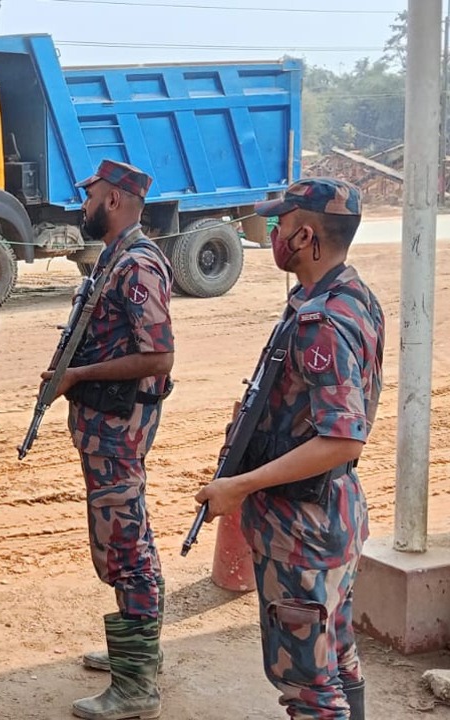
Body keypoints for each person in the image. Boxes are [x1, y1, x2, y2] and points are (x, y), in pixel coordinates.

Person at [195, 178, 383, 720]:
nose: (272, 232)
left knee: (307, 685)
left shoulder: (321, 321)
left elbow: (343, 436)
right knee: (338, 657)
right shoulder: (352, 297)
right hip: (333, 515)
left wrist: (240, 485)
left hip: (302, 528)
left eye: (279, 224)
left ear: (305, 236)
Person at [47, 159, 174, 720]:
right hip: (105, 427)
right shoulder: (116, 258)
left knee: (125, 547)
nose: (84, 204)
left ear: (116, 200)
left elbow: (158, 355)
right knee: (126, 536)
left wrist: (77, 377)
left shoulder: (138, 264)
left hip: (118, 429)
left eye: (91, 194)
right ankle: (136, 654)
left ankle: (137, 685)